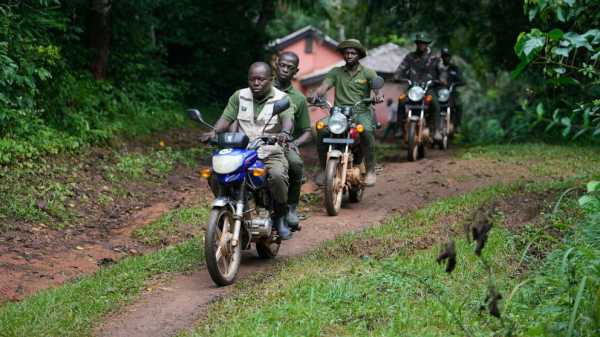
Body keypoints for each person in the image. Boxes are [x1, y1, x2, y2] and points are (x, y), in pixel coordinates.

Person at [201, 62, 295, 240]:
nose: (256, 83)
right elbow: (226, 118)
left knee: (277, 176)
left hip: (269, 151)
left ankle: (280, 217)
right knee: (216, 173)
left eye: (261, 79)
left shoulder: (281, 99)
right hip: (242, 152)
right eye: (252, 79)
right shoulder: (239, 96)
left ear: (271, 80)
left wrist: (284, 133)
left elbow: (288, 120)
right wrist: (213, 132)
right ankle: (227, 210)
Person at [311, 39, 384, 186]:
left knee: (367, 130)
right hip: (339, 114)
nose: (349, 55)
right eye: (346, 53)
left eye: (353, 53)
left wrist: (378, 96)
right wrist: (317, 94)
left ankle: (370, 170)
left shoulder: (368, 73)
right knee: (320, 127)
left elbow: (377, 89)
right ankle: (323, 168)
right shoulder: (336, 72)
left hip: (361, 111)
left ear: (359, 55)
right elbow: (324, 86)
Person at [273, 51, 311, 230]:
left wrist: (294, 143)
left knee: (295, 164)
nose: (285, 70)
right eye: (282, 65)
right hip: (257, 140)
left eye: (290, 67)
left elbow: (307, 131)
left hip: (284, 144)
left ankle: (291, 208)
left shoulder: (299, 98)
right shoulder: (260, 85)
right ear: (276, 64)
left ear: (296, 71)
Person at [394, 32, 443, 141]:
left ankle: (437, 130)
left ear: (427, 44)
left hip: (428, 88)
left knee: (435, 103)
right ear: (416, 44)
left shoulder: (434, 58)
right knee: (401, 101)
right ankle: (399, 129)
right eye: (419, 43)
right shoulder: (410, 56)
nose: (421, 45)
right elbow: (401, 68)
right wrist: (397, 76)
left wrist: (441, 80)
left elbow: (442, 71)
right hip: (413, 89)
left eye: (424, 43)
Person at [438, 47, 465, 131]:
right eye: (444, 56)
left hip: (451, 91)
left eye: (447, 56)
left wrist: (457, 83)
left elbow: (461, 79)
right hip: (438, 92)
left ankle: (457, 125)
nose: (446, 58)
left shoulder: (454, 68)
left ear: (450, 57)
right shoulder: (437, 68)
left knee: (458, 104)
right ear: (441, 57)